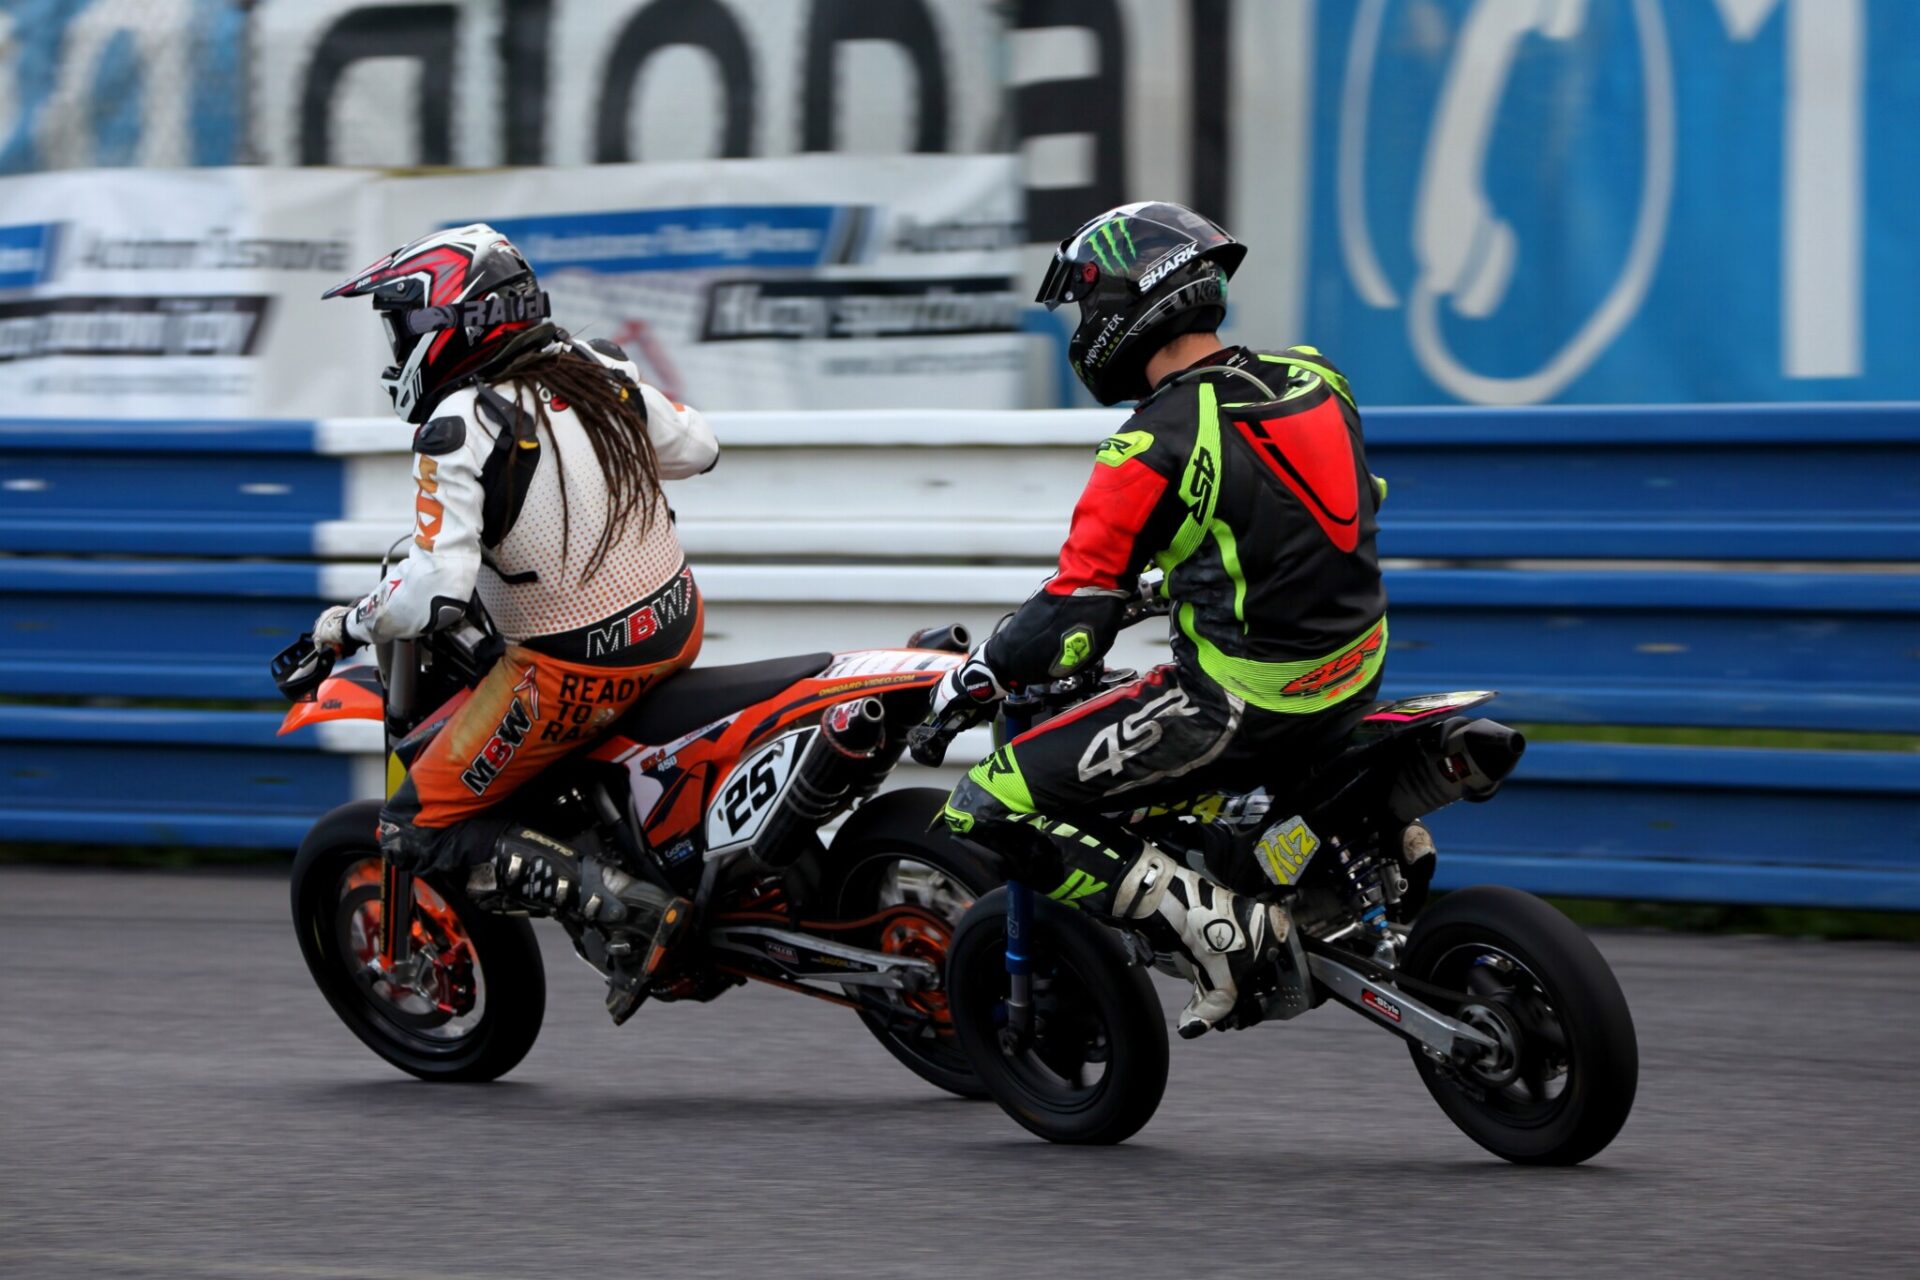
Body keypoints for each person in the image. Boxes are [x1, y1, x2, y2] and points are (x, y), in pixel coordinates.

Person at [934, 201, 1390, 1038]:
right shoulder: (1316, 378)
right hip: (1356, 669)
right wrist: (1180, 582)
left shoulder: (1147, 445)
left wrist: (987, 666)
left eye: (1085, 305)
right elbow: (1324, 516)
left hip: (1241, 702)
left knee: (986, 803)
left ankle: (1222, 936)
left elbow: (1072, 620)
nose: (1082, 326)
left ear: (1123, 306)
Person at [312, 224, 717, 1017]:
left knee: (417, 823)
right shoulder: (598, 367)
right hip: (675, 623)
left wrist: (347, 624)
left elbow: (432, 594)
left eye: (405, 326)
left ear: (455, 321)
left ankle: (627, 908)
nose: (399, 349)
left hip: (575, 673)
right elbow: (696, 448)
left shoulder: (458, 425)